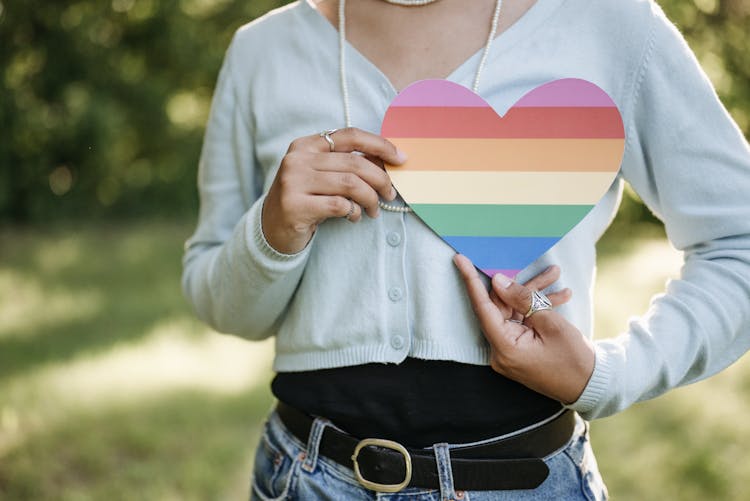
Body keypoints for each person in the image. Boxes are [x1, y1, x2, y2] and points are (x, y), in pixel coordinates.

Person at [181, 0, 750, 499]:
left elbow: (739, 243)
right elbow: (224, 307)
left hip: (527, 485)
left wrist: (606, 373)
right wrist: (273, 232)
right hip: (301, 480)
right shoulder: (262, 50)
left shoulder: (612, 23)